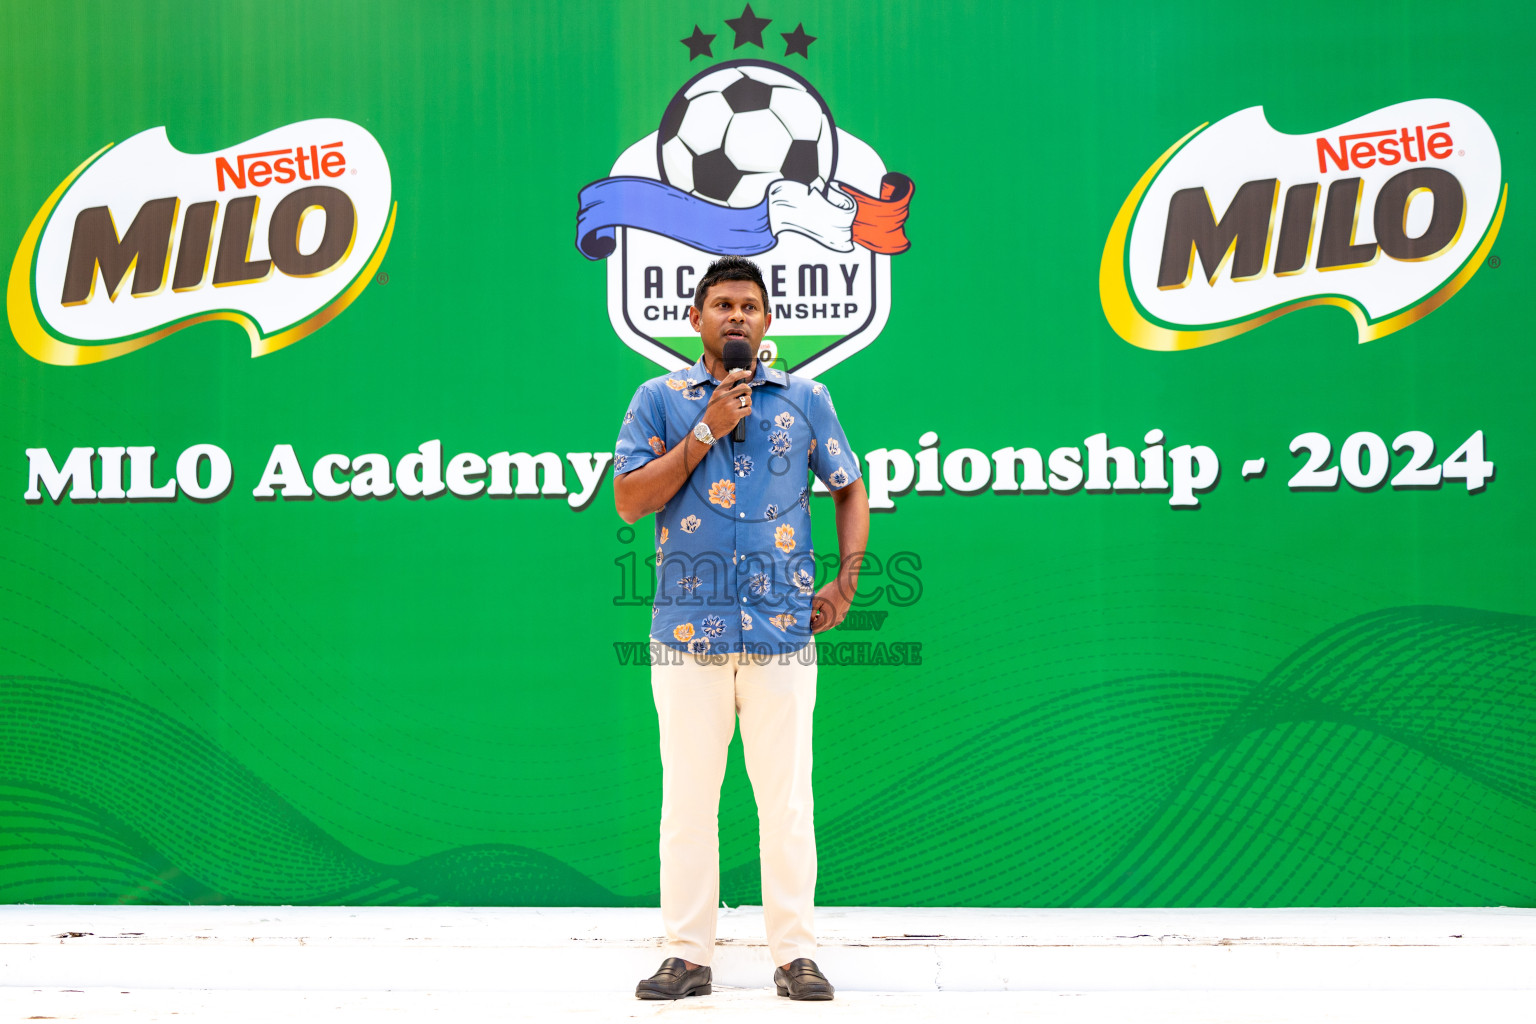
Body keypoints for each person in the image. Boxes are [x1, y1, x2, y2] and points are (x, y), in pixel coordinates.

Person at [613, 255, 870, 1001]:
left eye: (749, 306)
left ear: (766, 323)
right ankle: (687, 954)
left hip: (782, 631)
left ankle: (794, 955)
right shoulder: (659, 400)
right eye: (721, 304)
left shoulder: (808, 399)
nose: (736, 316)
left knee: (785, 800)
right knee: (688, 798)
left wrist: (847, 579)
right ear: (695, 320)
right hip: (687, 632)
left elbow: (850, 487)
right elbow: (629, 500)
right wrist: (704, 431)